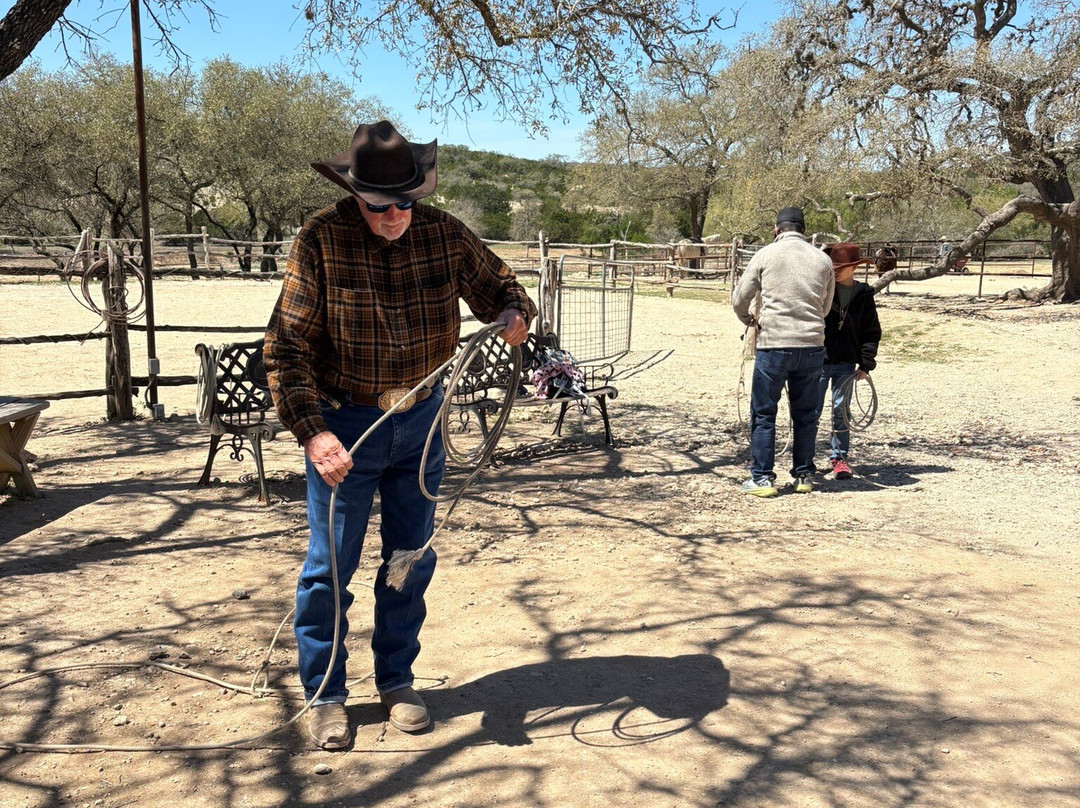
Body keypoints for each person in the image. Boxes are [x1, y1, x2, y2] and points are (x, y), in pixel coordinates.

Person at [263, 121, 536, 750]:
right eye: (380, 206)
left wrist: (515, 314)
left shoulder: (444, 234)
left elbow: (502, 285)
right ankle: (326, 693)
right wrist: (312, 433)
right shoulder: (320, 241)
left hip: (422, 424)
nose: (394, 217)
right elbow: (286, 349)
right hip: (345, 426)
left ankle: (396, 680)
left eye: (404, 203)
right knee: (331, 567)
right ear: (356, 196)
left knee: (410, 558)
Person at [732, 206, 834, 497]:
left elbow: (740, 298)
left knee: (764, 412)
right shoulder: (823, 260)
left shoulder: (765, 255)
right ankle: (803, 475)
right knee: (806, 414)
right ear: (803, 229)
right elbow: (825, 307)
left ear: (777, 229)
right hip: (812, 345)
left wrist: (748, 319)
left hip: (774, 343)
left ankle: (763, 478)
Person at [816, 243, 882, 479]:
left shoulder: (863, 295)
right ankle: (804, 458)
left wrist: (865, 363)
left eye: (841, 267)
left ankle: (839, 457)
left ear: (853, 267)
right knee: (810, 409)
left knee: (841, 410)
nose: (835, 270)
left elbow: (871, 330)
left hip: (846, 362)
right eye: (833, 266)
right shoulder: (822, 290)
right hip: (818, 360)